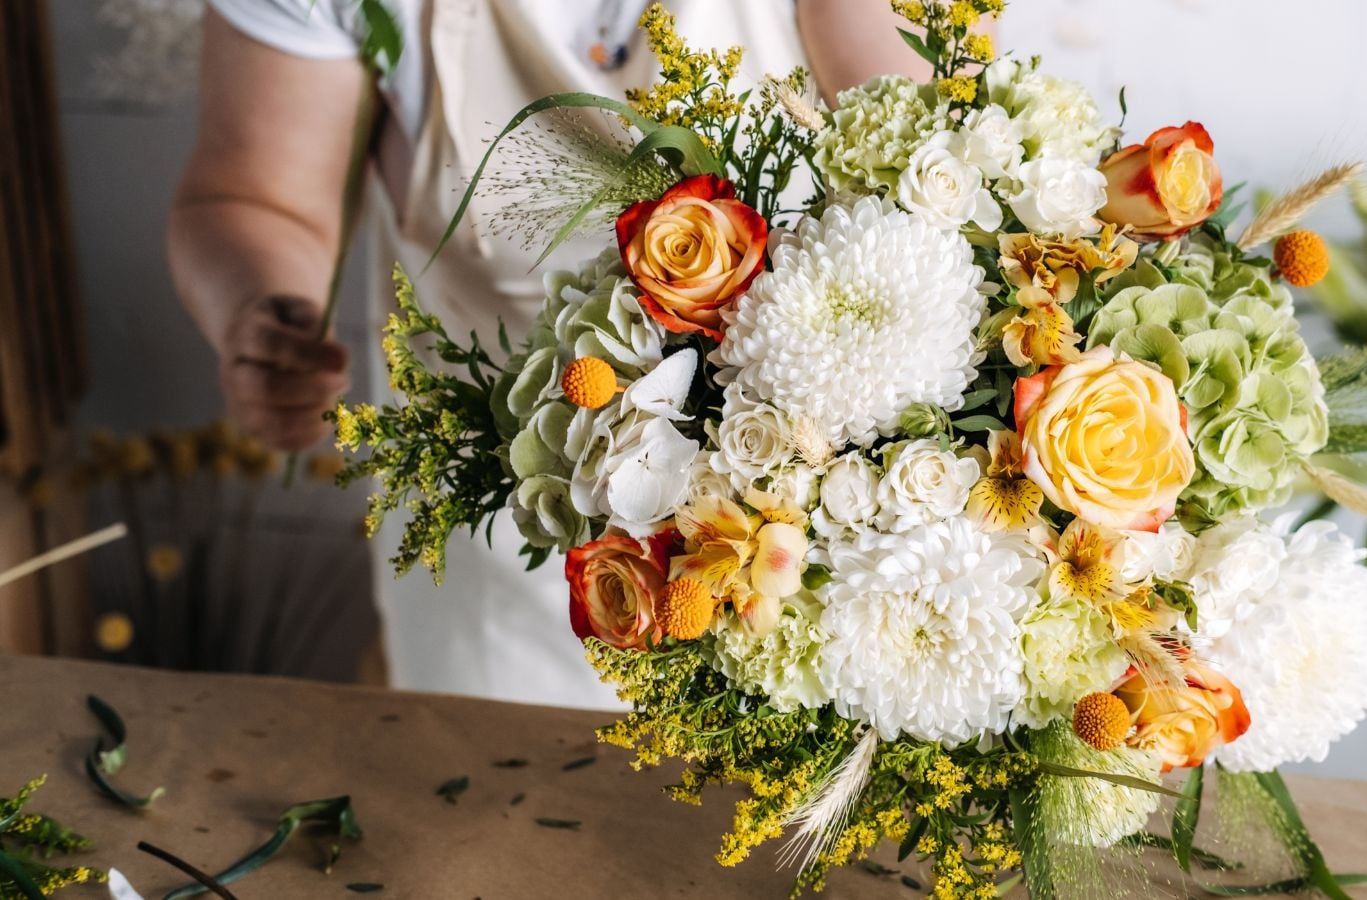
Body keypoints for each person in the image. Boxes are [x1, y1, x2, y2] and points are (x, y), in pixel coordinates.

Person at [168, 0, 949, 706]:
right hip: (504, 563)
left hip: (804, 561)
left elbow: (930, 184)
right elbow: (254, 197)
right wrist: (262, 313)